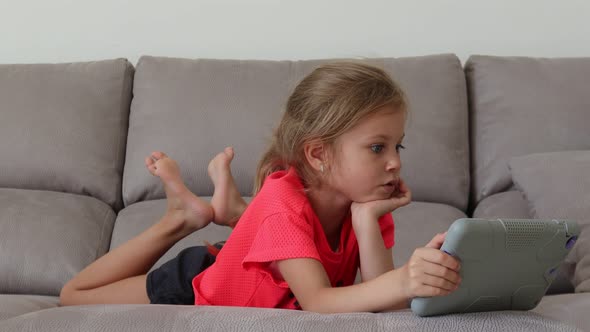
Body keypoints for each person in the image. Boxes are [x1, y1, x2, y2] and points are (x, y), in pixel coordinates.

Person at [60, 62, 461, 313]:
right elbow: (319, 302)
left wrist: (366, 220)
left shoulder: (367, 202)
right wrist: (405, 279)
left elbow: (381, 304)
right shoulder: (281, 201)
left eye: (397, 145)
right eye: (378, 147)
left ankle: (234, 213)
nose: (395, 162)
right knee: (74, 295)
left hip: (251, 264)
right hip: (200, 280)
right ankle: (181, 218)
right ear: (318, 154)